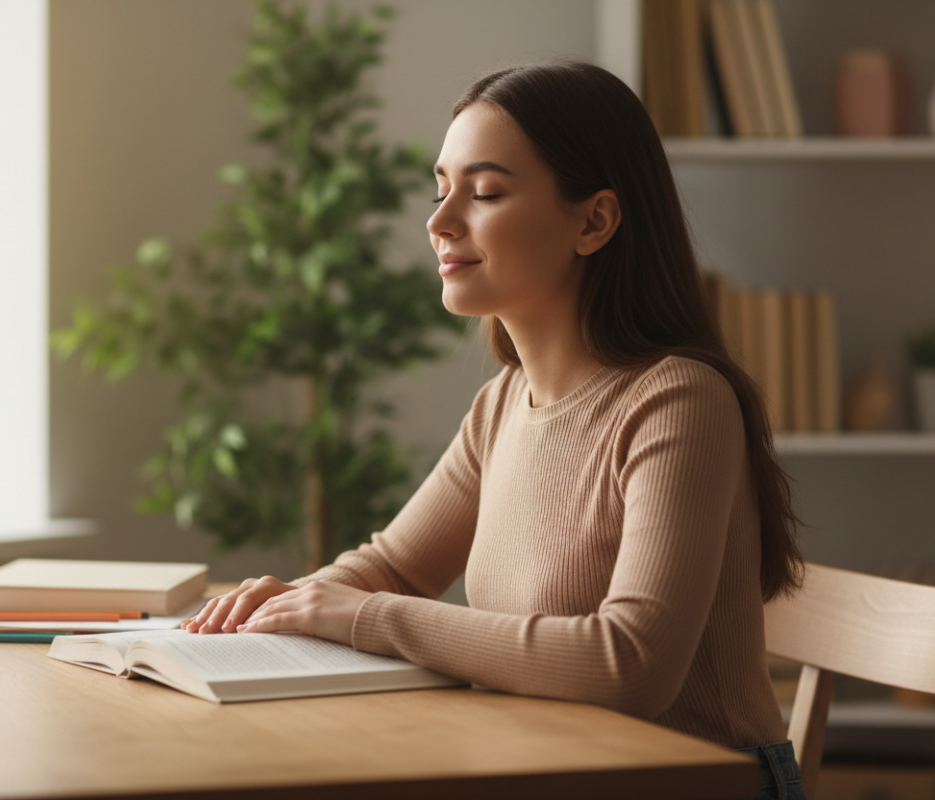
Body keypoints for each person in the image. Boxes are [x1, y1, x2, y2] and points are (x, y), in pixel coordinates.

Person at [182, 61, 806, 800]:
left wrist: (362, 616)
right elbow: (393, 566)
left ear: (594, 220)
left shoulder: (679, 401)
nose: (440, 221)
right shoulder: (506, 403)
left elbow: (630, 663)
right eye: (440, 188)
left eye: (484, 193)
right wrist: (284, 606)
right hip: (545, 767)